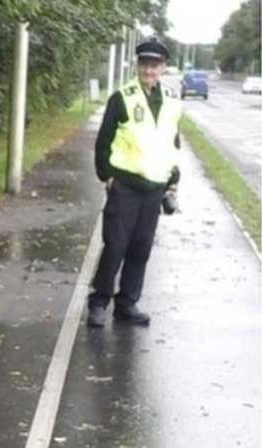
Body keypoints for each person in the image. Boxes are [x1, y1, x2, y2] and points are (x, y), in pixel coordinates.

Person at [87, 38, 182, 328]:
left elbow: (172, 142)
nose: (149, 70)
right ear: (137, 65)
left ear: (163, 68)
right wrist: (107, 176)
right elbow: (103, 141)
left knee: (140, 249)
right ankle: (99, 302)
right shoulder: (122, 97)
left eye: (154, 65)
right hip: (125, 186)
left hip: (154, 188)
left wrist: (173, 179)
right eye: (144, 64)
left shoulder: (171, 100)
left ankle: (127, 303)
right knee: (115, 246)